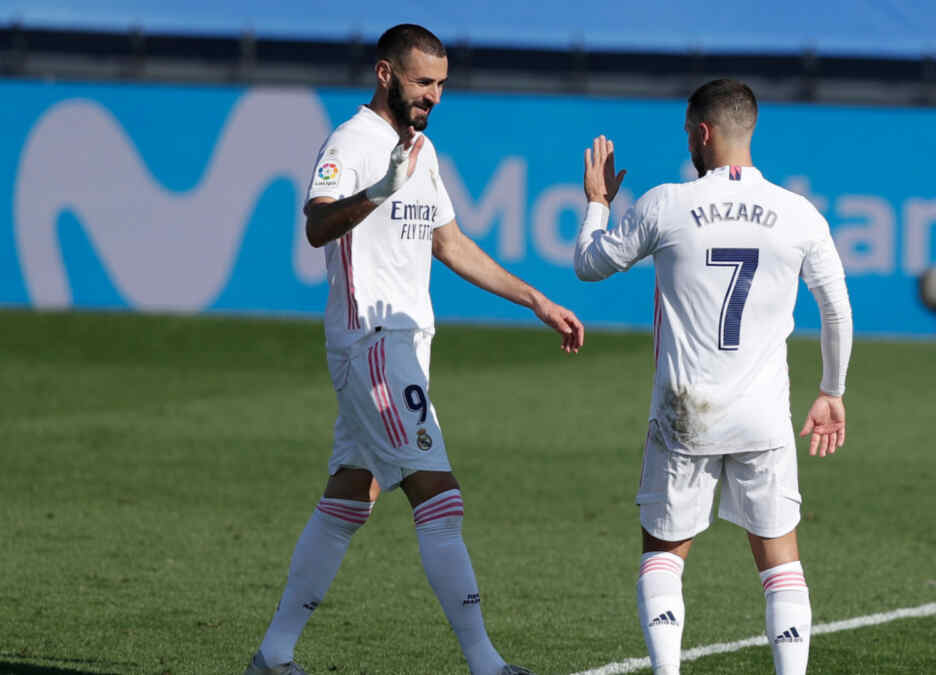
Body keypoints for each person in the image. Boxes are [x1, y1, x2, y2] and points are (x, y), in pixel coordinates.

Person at [244, 24, 584, 675]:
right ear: (385, 74)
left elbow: (450, 244)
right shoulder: (354, 142)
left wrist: (534, 299)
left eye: (441, 85)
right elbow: (317, 224)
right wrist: (375, 191)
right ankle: (486, 662)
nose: (433, 95)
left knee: (349, 495)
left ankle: (275, 654)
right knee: (439, 494)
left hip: (403, 350)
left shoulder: (420, 151)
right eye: (423, 82)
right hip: (371, 344)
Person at [573, 79, 852, 675]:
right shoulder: (798, 212)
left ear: (702, 133)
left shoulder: (665, 204)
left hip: (685, 410)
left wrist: (598, 200)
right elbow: (836, 307)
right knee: (780, 563)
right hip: (763, 416)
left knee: (664, 557)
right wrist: (832, 390)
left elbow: (588, 264)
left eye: (687, 133)